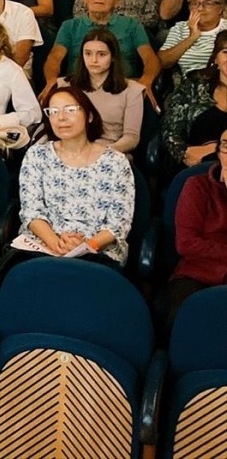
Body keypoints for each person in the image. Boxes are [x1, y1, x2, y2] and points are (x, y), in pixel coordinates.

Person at [8, 87, 134, 266]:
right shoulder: (37, 155)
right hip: (44, 245)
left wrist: (84, 247)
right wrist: (56, 244)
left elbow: (118, 223)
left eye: (70, 110)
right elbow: (31, 211)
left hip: (96, 249)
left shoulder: (116, 162)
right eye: (53, 111)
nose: (61, 118)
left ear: (89, 116)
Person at [155, 136, 227, 338]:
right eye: (226, 146)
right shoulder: (197, 185)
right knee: (184, 321)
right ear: (219, 152)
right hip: (197, 274)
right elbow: (186, 244)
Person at [44, 0, 160, 89]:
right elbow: (54, 58)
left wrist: (146, 81)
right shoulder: (70, 26)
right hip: (79, 88)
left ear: (118, 0)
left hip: (122, 88)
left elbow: (150, 58)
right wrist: (51, 81)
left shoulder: (132, 25)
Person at [55, 28, 145, 157]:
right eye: (88, 54)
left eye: (101, 54)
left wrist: (99, 151)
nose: (94, 60)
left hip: (109, 153)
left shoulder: (132, 90)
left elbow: (131, 138)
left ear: (113, 57)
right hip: (68, 151)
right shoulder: (64, 85)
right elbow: (50, 127)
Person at [162, 31, 227, 176]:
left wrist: (215, 150)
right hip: (192, 168)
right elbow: (170, 131)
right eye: (226, 52)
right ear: (215, 58)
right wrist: (185, 153)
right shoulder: (194, 84)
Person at [159, 0, 227, 76]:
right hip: (190, 85)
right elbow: (162, 62)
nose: (199, 8)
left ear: (220, 8)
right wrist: (191, 38)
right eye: (194, 3)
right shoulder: (180, 28)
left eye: (207, 3)